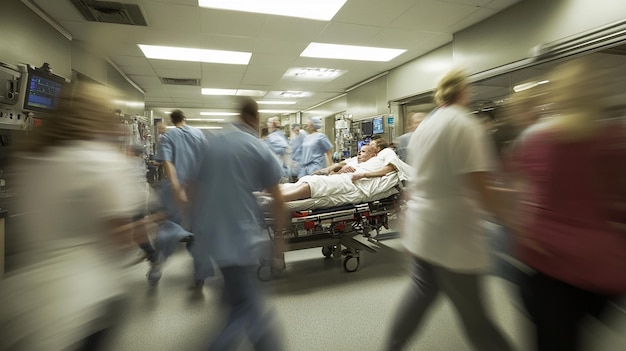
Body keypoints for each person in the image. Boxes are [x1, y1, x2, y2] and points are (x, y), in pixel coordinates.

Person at [0, 81, 144, 351]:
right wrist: (154, 225)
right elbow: (121, 240)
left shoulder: (31, 159)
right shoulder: (101, 161)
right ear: (101, 116)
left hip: (25, 303)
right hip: (82, 301)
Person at [384, 68, 513, 351]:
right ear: (464, 91)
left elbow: (417, 180)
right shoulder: (464, 125)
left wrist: (407, 221)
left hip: (424, 226)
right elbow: (480, 185)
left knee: (420, 293)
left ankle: (391, 346)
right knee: (476, 319)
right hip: (453, 232)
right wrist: (510, 222)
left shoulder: (426, 127)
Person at [508, 57, 626, 351]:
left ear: (558, 94)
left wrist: (524, 231)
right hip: (604, 271)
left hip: (550, 263)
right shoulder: (615, 142)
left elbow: (515, 198)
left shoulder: (539, 142)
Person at [190, 97, 286, 351]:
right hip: (240, 239)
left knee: (236, 302)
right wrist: (280, 247)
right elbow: (279, 200)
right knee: (250, 311)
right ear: (255, 118)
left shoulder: (212, 142)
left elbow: (193, 189)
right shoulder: (257, 147)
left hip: (213, 237)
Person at [150, 109, 209, 286]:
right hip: (197, 189)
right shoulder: (199, 134)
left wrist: (176, 187)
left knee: (168, 226)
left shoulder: (169, 136)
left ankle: (157, 265)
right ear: (185, 118)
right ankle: (200, 272)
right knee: (198, 229)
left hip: (176, 189)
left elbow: (166, 161)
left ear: (171, 120)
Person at [280, 144, 410, 202]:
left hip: (353, 183)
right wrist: (337, 171)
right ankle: (272, 193)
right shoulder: (355, 161)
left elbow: (391, 168)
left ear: (374, 154)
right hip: (342, 178)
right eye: (359, 151)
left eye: (363, 151)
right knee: (307, 179)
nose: (359, 154)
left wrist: (362, 175)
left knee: (316, 183)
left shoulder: (378, 160)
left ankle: (278, 199)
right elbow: (338, 167)